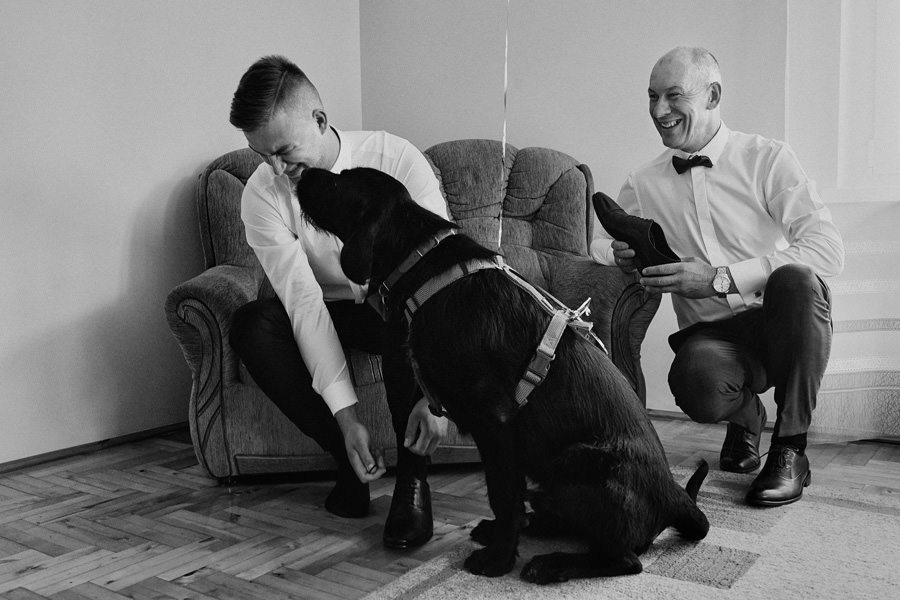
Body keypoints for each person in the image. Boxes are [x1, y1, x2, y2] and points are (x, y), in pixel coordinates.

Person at [591, 47, 844, 506]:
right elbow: (598, 245)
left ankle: (790, 451)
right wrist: (618, 252)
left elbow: (828, 249)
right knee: (695, 382)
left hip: (783, 324)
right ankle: (747, 419)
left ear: (712, 96)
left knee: (797, 280)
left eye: (673, 96)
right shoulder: (643, 182)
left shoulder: (768, 158)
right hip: (713, 337)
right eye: (652, 96)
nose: (659, 110)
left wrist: (720, 279)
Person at [227, 55, 449, 548]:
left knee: (400, 310)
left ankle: (413, 483)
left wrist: (437, 396)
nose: (275, 169)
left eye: (283, 151)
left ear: (320, 120)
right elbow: (303, 304)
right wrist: (347, 420)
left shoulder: (396, 159)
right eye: (261, 155)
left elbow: (437, 283)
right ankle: (347, 459)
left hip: (400, 305)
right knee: (251, 324)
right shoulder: (261, 195)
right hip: (329, 309)